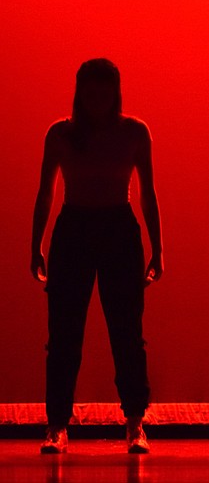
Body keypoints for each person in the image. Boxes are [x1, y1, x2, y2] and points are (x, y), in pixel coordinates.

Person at [30, 58, 163, 454]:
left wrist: (158, 249)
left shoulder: (134, 132)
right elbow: (45, 193)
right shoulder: (60, 134)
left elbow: (148, 193)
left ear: (116, 92)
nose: (98, 98)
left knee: (127, 333)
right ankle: (56, 426)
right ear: (79, 92)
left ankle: (136, 423)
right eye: (91, 90)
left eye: (105, 90)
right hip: (73, 231)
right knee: (63, 334)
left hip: (119, 231)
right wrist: (35, 244)